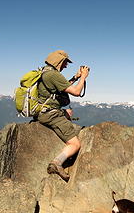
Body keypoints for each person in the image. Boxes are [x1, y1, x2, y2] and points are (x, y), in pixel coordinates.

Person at [37, 50, 90, 181]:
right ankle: (56, 163)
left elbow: (60, 87)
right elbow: (77, 92)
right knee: (75, 144)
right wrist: (83, 77)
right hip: (51, 114)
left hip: (43, 110)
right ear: (58, 60)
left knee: (67, 113)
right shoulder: (53, 75)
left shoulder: (45, 72)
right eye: (65, 62)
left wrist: (75, 77)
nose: (66, 65)